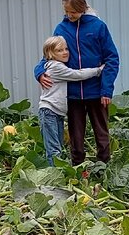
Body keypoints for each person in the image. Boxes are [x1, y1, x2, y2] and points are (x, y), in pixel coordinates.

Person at [33, 0, 119, 166]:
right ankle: (78, 169)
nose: (69, 15)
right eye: (66, 12)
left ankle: (104, 167)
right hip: (72, 94)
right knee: (76, 137)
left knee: (101, 134)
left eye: (72, 12)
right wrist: (39, 72)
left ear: (82, 7)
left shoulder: (98, 27)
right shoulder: (61, 28)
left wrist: (106, 89)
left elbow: (112, 59)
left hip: (96, 91)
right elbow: (48, 55)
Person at [38, 35, 104, 164]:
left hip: (56, 112)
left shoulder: (52, 65)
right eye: (59, 50)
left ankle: (58, 174)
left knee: (58, 146)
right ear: (50, 53)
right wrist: (98, 70)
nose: (65, 52)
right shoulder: (56, 67)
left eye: (66, 49)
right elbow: (77, 74)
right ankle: (54, 178)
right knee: (54, 148)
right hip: (49, 112)